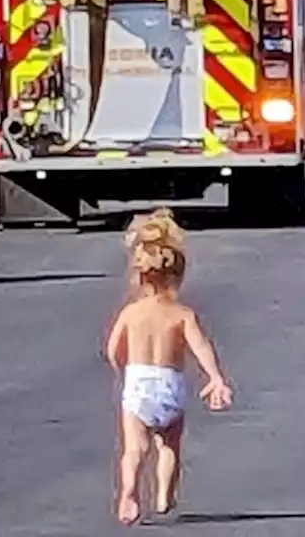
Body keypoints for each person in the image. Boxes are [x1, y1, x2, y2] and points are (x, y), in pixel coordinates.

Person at [105, 208, 234, 525]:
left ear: (138, 275)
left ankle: (129, 495)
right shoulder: (182, 315)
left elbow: (112, 350)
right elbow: (200, 346)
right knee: (169, 446)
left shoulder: (131, 313)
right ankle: (165, 496)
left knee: (133, 449)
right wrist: (215, 377)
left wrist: (122, 369)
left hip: (138, 383)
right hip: (169, 384)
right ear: (178, 275)